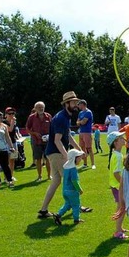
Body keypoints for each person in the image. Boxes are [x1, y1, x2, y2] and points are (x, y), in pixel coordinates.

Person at [38, 91, 89, 219]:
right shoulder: (61, 118)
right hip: (57, 153)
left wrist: (79, 150)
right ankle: (77, 205)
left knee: (56, 181)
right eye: (73, 102)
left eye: (76, 102)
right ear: (66, 104)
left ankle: (43, 210)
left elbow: (69, 136)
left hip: (53, 153)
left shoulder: (65, 116)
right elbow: (57, 140)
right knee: (71, 180)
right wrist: (68, 157)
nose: (76, 104)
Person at [53, 149, 85, 226]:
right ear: (75, 158)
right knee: (76, 205)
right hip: (72, 191)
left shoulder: (66, 168)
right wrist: (79, 189)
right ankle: (76, 219)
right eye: (79, 158)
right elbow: (74, 181)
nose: (80, 159)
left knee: (67, 204)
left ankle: (58, 215)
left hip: (65, 190)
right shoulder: (73, 169)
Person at [108, 131, 128, 239]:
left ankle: (119, 227)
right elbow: (116, 173)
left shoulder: (116, 154)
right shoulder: (118, 156)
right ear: (115, 142)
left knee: (121, 207)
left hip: (115, 185)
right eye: (121, 138)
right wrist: (123, 185)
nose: (124, 139)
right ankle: (118, 232)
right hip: (118, 186)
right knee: (122, 208)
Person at [25, 101, 52, 181]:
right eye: (39, 107)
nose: (41, 109)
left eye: (42, 107)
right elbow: (27, 129)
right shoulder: (31, 117)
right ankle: (39, 176)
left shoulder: (48, 116)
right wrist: (35, 133)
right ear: (35, 108)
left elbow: (53, 127)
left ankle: (49, 175)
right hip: (36, 141)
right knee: (38, 159)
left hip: (47, 141)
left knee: (48, 158)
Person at [76, 100, 96, 169]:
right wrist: (80, 122)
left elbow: (83, 122)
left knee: (89, 148)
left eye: (79, 104)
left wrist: (80, 122)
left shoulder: (88, 112)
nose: (78, 106)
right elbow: (77, 122)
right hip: (81, 132)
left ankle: (93, 164)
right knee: (82, 148)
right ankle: (85, 164)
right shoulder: (80, 113)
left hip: (87, 132)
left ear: (83, 104)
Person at [3, 107, 21, 181]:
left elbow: (14, 131)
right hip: (5, 143)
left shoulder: (13, 122)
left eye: (13, 113)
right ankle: (6, 177)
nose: (11, 115)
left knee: (12, 160)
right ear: (6, 115)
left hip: (13, 142)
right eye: (9, 113)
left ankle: (11, 176)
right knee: (6, 161)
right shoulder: (3, 122)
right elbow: (10, 130)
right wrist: (13, 122)